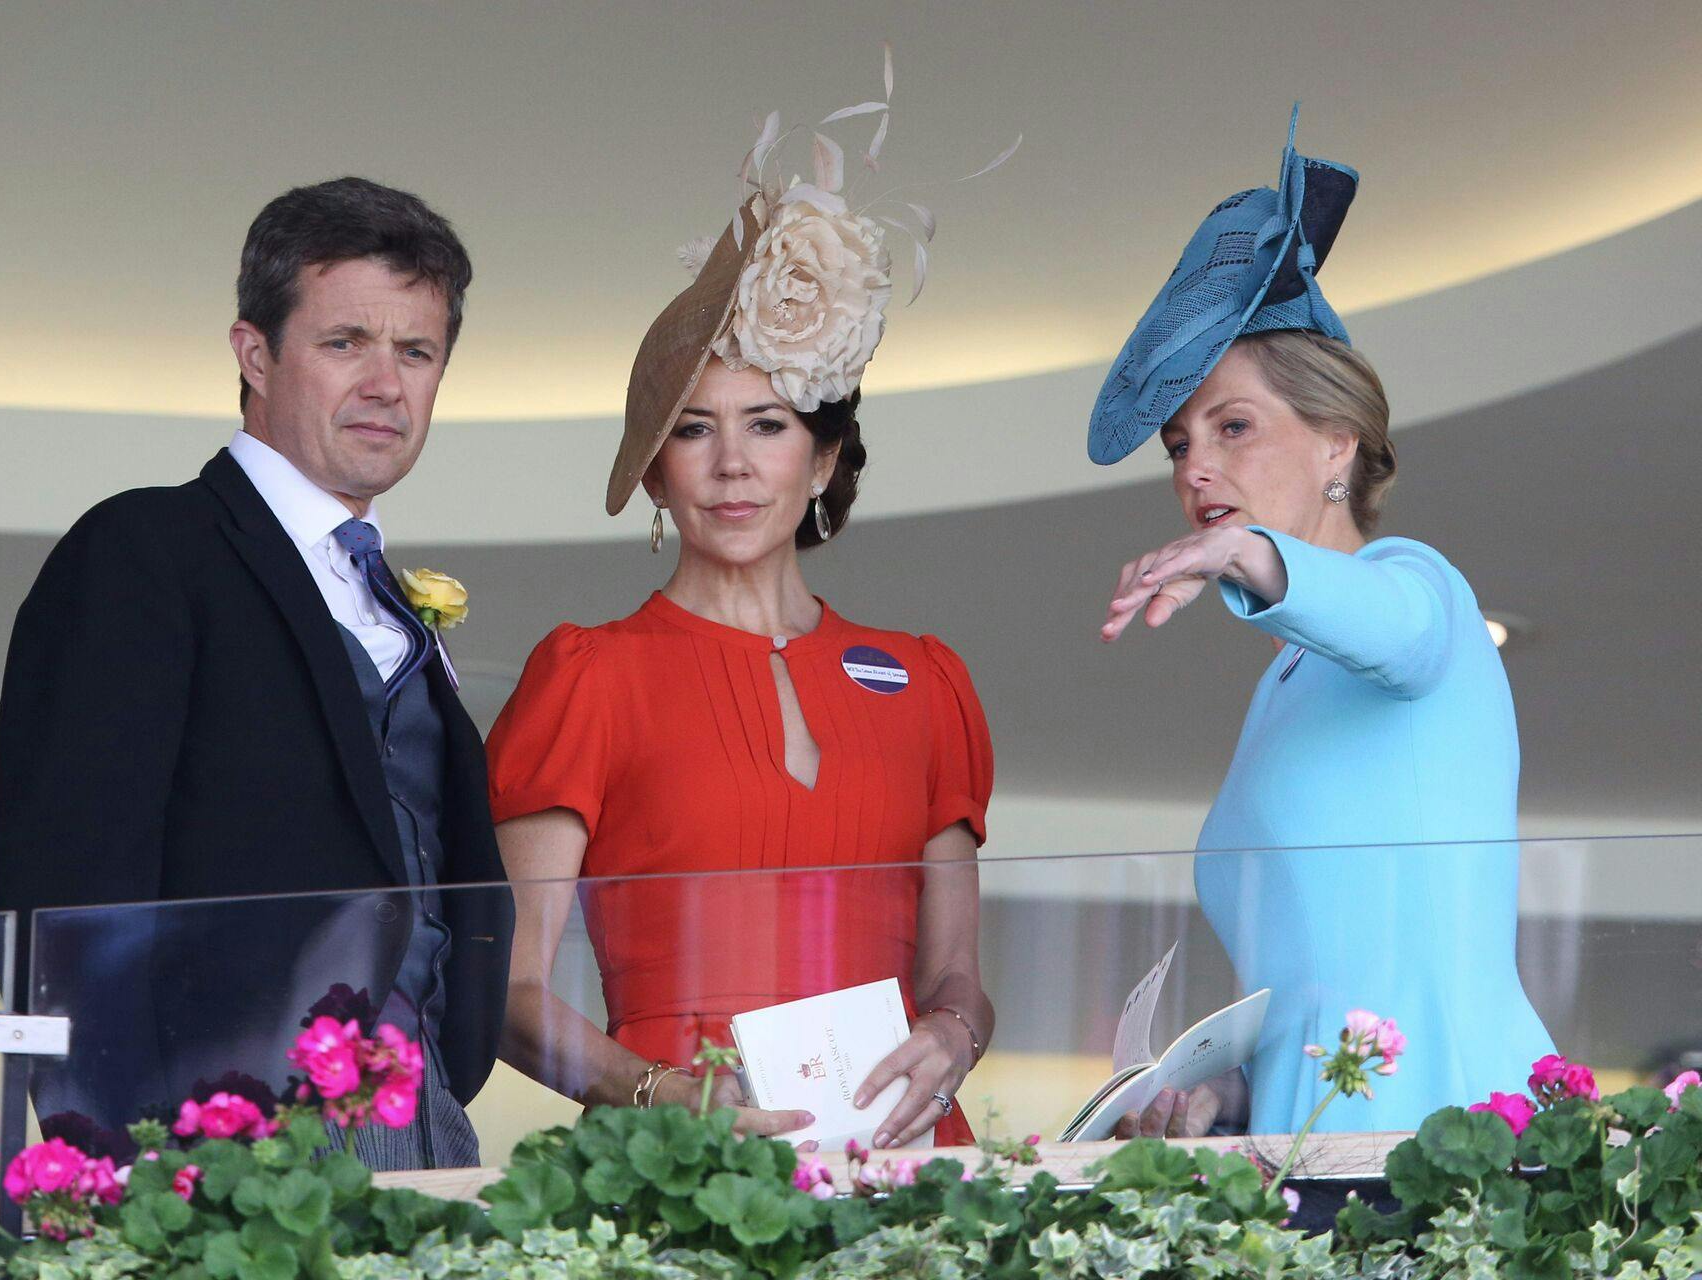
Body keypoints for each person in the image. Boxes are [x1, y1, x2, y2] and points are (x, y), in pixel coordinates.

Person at [485, 96, 995, 1151]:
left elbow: (959, 980)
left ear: (821, 460)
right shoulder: (586, 673)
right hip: (677, 1161)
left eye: (767, 426)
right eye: (694, 430)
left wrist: (951, 1034)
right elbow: (508, 992)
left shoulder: (929, 678)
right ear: (656, 471)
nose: (731, 464)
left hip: (900, 1160)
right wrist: (665, 1095)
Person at [0, 177, 511, 1169]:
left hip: (425, 1118)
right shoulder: (146, 549)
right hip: (218, 1139)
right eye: (344, 341)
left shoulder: (393, 599)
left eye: (416, 351)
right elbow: (74, 893)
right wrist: (112, 1166)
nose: (385, 383)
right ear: (255, 352)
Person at [1091, 113, 1554, 1136]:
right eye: (1178, 445)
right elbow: (1313, 990)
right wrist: (1219, 1096)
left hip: (1451, 1129)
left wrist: (1246, 555)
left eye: (1234, 427)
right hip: (1314, 1145)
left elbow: (1397, 625)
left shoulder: (1414, 589)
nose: (1195, 468)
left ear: (1339, 444)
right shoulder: (1282, 687)